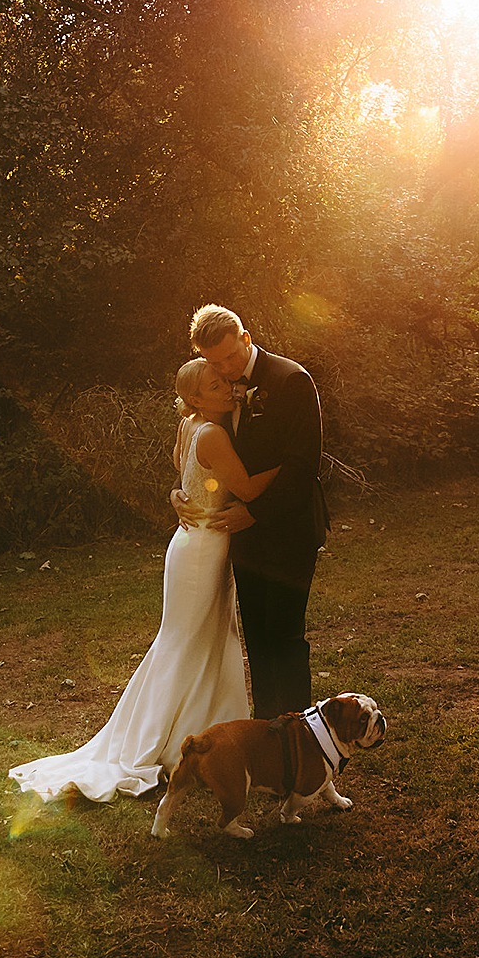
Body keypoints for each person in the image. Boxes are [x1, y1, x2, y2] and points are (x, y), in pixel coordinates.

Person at [8, 358, 279, 803]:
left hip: (190, 541)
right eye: (215, 385)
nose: (227, 388)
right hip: (204, 547)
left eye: (225, 381)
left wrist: (180, 494)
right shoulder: (210, 432)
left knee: (200, 639)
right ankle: (171, 737)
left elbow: (179, 466)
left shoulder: (190, 425)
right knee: (188, 642)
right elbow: (247, 489)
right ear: (194, 398)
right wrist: (292, 466)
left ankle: (206, 729)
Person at [178, 304, 329, 720]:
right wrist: (179, 492)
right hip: (241, 536)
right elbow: (200, 454)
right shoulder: (217, 390)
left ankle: (299, 734)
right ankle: (266, 728)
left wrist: (255, 511)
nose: (226, 369)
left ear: (246, 338)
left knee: (286, 634)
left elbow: (304, 464)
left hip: (289, 527)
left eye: (231, 356)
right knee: (257, 637)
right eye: (215, 362)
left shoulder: (291, 380)